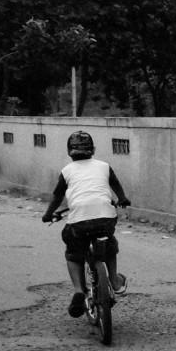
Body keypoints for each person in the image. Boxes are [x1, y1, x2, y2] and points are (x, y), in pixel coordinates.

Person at [42, 131, 130, 317]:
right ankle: (114, 280)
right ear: (93, 150)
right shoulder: (104, 166)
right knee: (110, 244)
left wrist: (48, 214)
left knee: (73, 252)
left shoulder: (67, 171)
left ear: (69, 151)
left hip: (79, 221)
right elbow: (115, 184)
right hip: (105, 216)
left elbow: (58, 196)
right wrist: (122, 198)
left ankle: (78, 291)